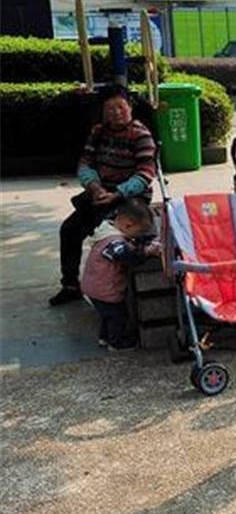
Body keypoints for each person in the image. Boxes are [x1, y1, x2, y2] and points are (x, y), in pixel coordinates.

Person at [50, 84, 157, 306]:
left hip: (129, 199)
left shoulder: (141, 135)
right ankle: (70, 285)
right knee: (69, 230)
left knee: (107, 238)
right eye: (110, 109)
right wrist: (94, 187)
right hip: (100, 193)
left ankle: (112, 295)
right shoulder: (98, 132)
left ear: (130, 107)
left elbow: (145, 174)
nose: (116, 113)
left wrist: (117, 194)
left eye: (121, 107)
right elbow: (85, 163)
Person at [80, 198, 161, 351]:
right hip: (105, 289)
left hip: (94, 287)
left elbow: (129, 242)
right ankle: (117, 343)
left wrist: (143, 240)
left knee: (107, 316)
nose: (136, 236)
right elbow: (126, 256)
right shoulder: (113, 241)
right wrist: (147, 251)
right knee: (117, 316)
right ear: (128, 224)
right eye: (138, 232)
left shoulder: (106, 230)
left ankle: (105, 337)